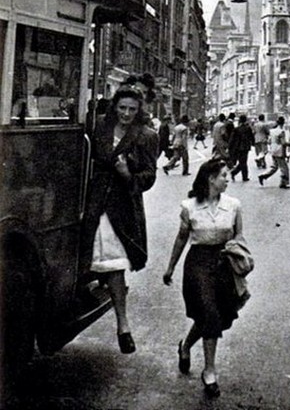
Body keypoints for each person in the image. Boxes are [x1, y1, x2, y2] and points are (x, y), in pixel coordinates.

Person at [80, 86, 158, 353]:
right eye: (122, 108)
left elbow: (149, 176)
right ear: (114, 106)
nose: (126, 113)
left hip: (121, 208)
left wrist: (127, 174)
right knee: (89, 255)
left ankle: (123, 325)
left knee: (113, 263)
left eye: (132, 109)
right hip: (94, 201)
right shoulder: (99, 127)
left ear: (139, 111)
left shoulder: (147, 136)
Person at [163, 159, 247, 399]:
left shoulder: (234, 206)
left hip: (223, 265)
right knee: (209, 314)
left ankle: (186, 346)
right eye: (223, 175)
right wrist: (170, 268)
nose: (228, 179)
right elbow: (181, 239)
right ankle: (210, 371)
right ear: (211, 179)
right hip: (198, 265)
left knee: (212, 317)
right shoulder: (190, 207)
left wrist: (240, 259)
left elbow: (239, 236)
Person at [258, 116, 289, 189]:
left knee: (274, 166)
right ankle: (283, 183)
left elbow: (269, 141)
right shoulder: (281, 131)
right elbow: (283, 143)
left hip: (273, 150)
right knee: (284, 168)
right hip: (280, 151)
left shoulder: (272, 131)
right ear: (283, 123)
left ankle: (263, 175)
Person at [229, 114, 255, 182]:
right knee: (243, 162)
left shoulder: (236, 129)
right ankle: (242, 175)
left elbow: (232, 139)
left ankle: (238, 174)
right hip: (245, 147)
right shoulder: (248, 128)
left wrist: (230, 147)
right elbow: (251, 137)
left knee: (242, 162)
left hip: (238, 147)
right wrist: (253, 143)